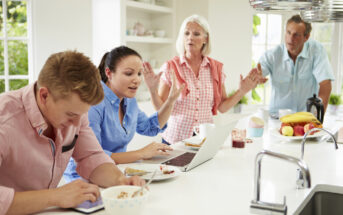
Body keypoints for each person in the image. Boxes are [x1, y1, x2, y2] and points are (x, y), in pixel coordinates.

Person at [0, 50, 145, 215]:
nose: (76, 124)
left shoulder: (76, 112)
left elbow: (91, 156)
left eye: (81, 115)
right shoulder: (5, 120)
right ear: (44, 95)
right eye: (70, 115)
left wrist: (120, 181)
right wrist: (53, 197)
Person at [64, 46, 183, 182]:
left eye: (139, 74)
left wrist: (170, 101)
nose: (137, 80)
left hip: (115, 171)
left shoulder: (129, 100)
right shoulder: (94, 103)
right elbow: (93, 156)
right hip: (84, 177)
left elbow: (150, 127)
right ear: (109, 73)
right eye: (129, 73)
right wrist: (141, 153)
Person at [145, 14, 266, 144]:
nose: (190, 37)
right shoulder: (171, 67)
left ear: (205, 39)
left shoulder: (215, 68)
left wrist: (242, 91)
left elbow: (222, 107)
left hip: (204, 141)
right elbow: (161, 109)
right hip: (175, 140)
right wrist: (152, 91)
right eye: (186, 33)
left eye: (196, 34)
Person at [258, 14, 334, 116]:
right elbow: (258, 73)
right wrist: (257, 78)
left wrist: (318, 118)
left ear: (306, 37)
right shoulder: (272, 55)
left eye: (296, 34)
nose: (290, 38)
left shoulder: (316, 51)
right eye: (288, 32)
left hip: (305, 118)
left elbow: (325, 85)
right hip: (277, 118)